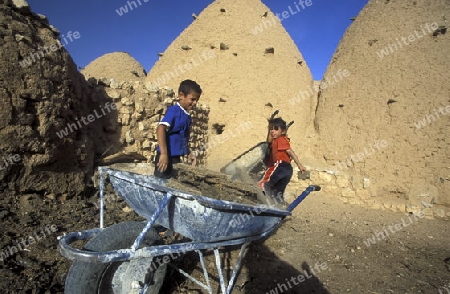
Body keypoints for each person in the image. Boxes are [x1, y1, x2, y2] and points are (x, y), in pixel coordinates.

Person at [154, 79, 202, 179]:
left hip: (175, 158)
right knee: (161, 184)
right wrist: (163, 154)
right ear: (181, 95)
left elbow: (181, 137)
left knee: (172, 184)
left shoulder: (187, 116)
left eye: (196, 100)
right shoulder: (174, 111)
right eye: (192, 99)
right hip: (165, 158)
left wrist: (188, 153)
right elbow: (160, 129)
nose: (195, 103)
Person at [257, 117, 307, 207]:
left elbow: (290, 151)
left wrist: (300, 165)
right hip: (288, 170)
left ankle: (262, 202)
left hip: (279, 165)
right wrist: (299, 166)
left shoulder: (280, 139)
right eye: (271, 129)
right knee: (278, 191)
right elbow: (268, 141)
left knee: (263, 183)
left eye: (276, 129)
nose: (272, 131)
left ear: (283, 131)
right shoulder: (276, 140)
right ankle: (279, 205)